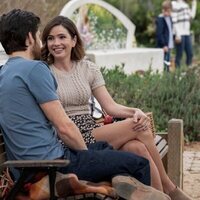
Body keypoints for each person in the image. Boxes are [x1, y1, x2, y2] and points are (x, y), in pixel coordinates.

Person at [0, 9, 171, 200]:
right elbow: (64, 127)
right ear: (30, 37)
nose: (44, 42)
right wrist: (87, 158)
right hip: (52, 164)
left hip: (36, 164)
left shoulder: (4, 73)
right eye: (42, 36)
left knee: (124, 150)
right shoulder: (35, 69)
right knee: (138, 163)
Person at [41, 15, 192, 200]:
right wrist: (135, 116)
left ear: (74, 40)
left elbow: (110, 106)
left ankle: (161, 195)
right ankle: (169, 188)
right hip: (68, 138)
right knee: (138, 126)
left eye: (61, 37)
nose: (56, 43)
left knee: (137, 147)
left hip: (91, 131)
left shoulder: (88, 68)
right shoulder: (44, 72)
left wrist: (135, 111)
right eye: (50, 38)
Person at [171, 0, 197, 68]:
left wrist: (194, 4)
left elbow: (192, 16)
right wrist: (177, 34)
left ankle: (189, 72)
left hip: (186, 33)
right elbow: (174, 20)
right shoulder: (174, 4)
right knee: (179, 54)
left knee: (190, 53)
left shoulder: (185, 4)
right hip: (179, 33)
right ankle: (177, 74)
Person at [156, 0, 174, 72]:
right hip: (164, 46)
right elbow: (159, 34)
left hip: (169, 45)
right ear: (163, 10)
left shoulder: (169, 18)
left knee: (168, 63)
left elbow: (170, 31)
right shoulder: (161, 19)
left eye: (168, 11)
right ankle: (164, 78)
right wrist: (164, 45)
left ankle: (167, 77)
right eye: (165, 10)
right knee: (164, 63)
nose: (167, 12)